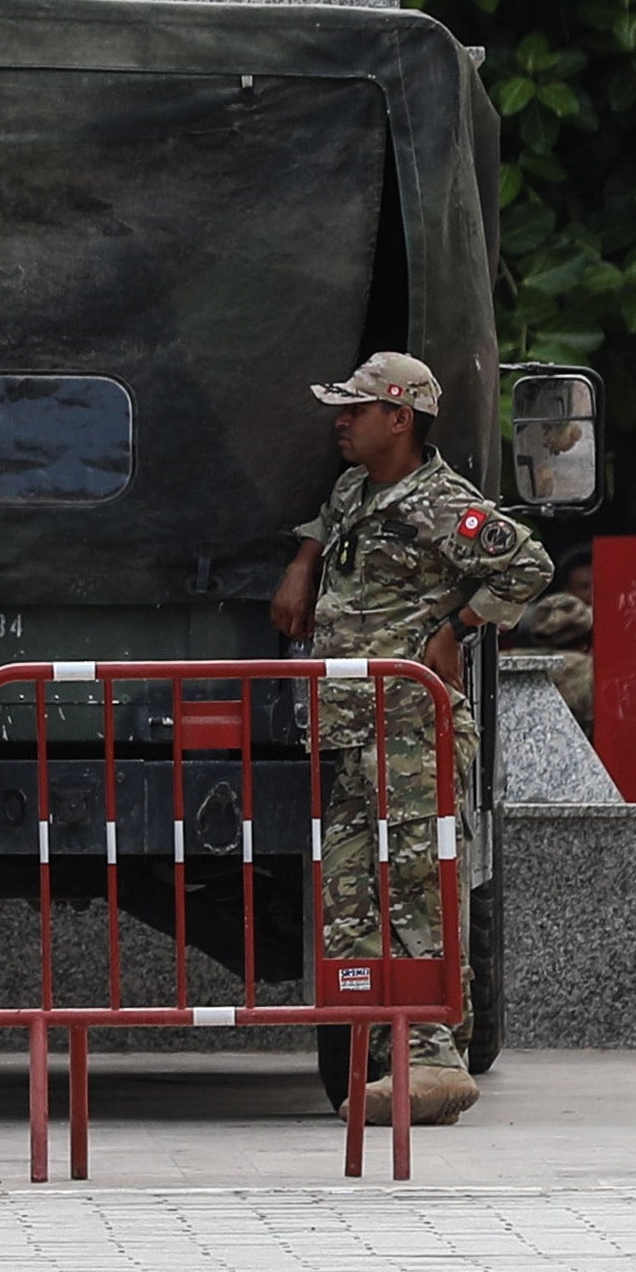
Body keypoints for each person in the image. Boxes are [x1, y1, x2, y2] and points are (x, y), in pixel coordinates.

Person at [272, 351, 551, 1126]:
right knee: (351, 901)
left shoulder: (444, 504)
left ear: (401, 417)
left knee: (417, 891)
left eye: (357, 409)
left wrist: (457, 628)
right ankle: (385, 1063)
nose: (341, 420)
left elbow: (528, 564)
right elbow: (327, 525)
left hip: (409, 732)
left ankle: (432, 1058)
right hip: (351, 733)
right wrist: (303, 562)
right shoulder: (356, 488)